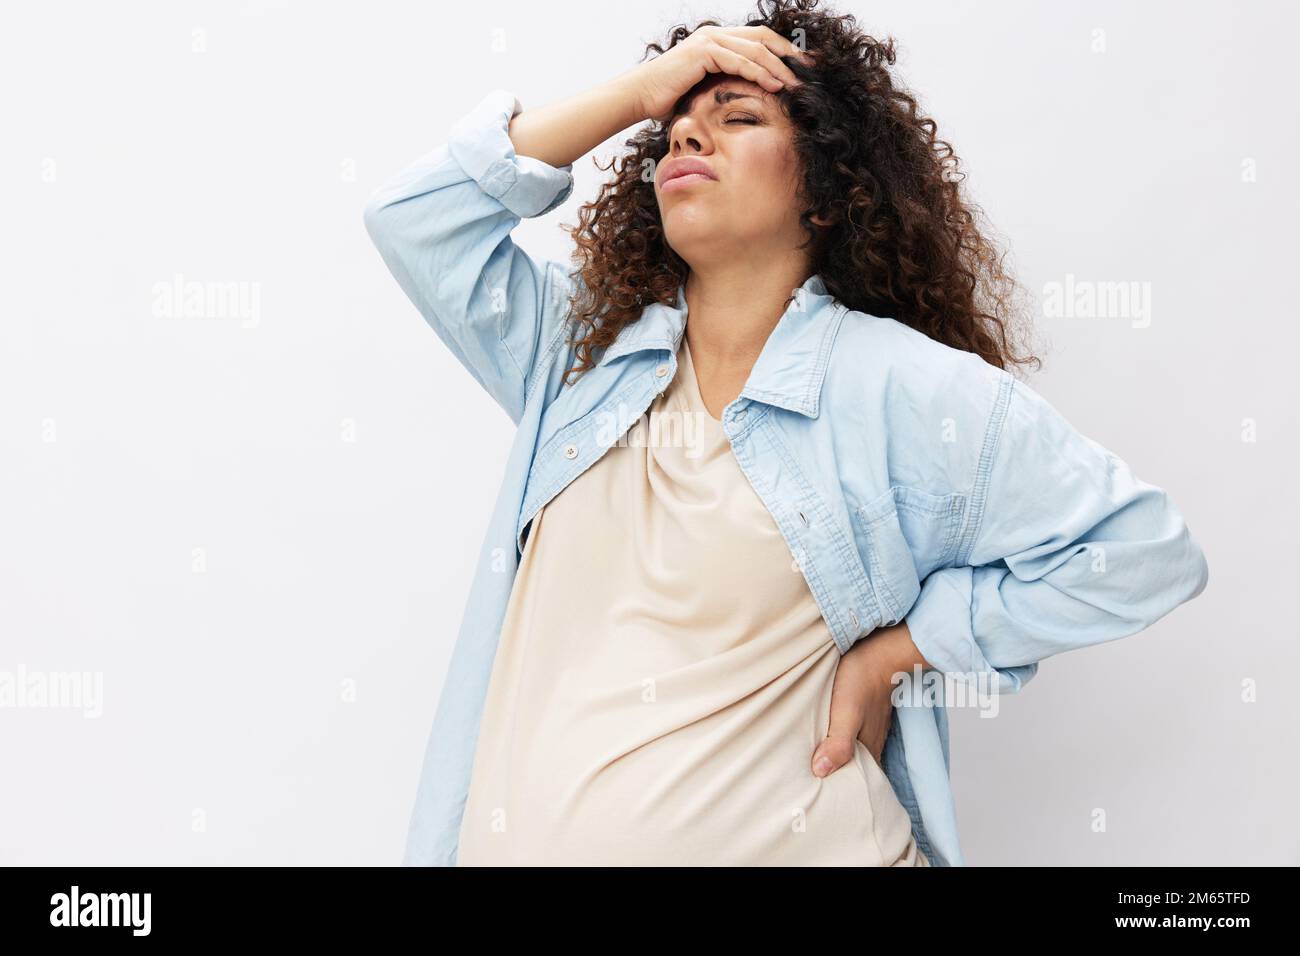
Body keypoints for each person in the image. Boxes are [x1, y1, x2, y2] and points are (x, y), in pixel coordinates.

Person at [363, 0, 1209, 866]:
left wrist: (899, 654)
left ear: (828, 195)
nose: (688, 138)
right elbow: (413, 223)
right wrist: (638, 92)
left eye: (738, 118)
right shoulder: (573, 351)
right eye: (675, 130)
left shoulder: (895, 387)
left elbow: (1142, 550)